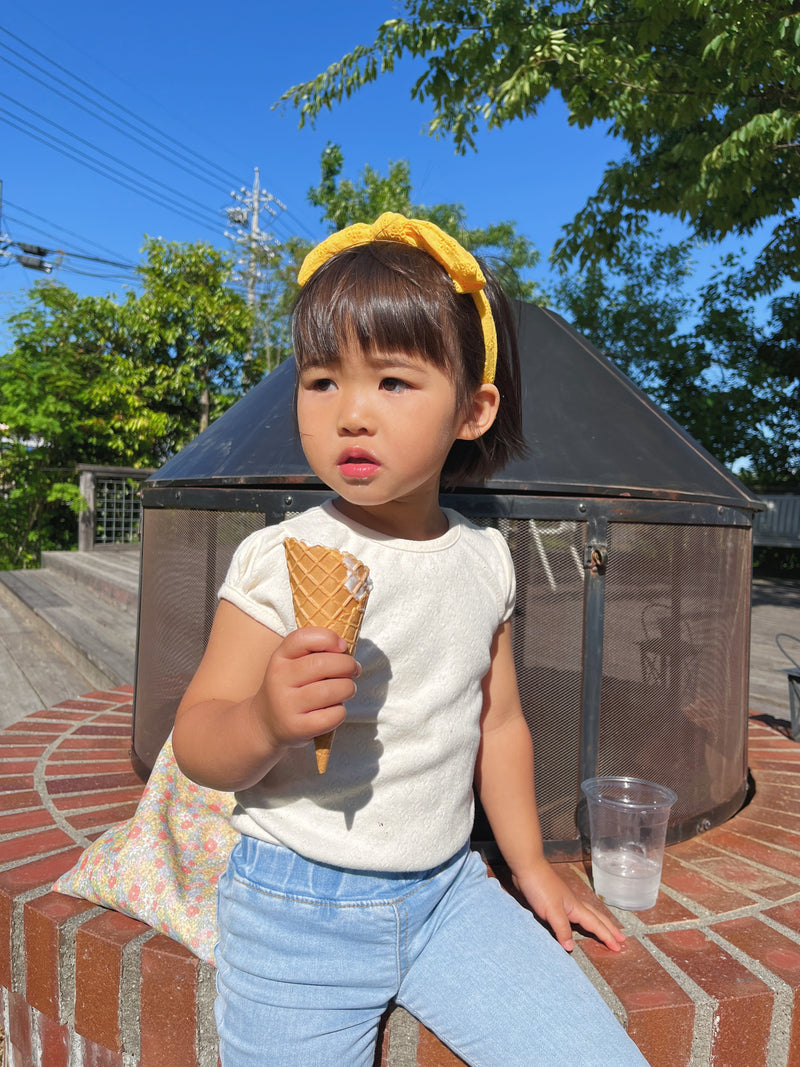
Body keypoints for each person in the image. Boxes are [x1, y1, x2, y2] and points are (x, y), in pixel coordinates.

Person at [172, 213, 649, 1067]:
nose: (352, 413)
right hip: (295, 912)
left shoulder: (483, 558)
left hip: (449, 893)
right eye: (322, 381)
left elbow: (496, 723)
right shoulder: (277, 559)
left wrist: (531, 864)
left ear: (473, 409)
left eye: (392, 381)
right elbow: (198, 741)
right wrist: (265, 719)